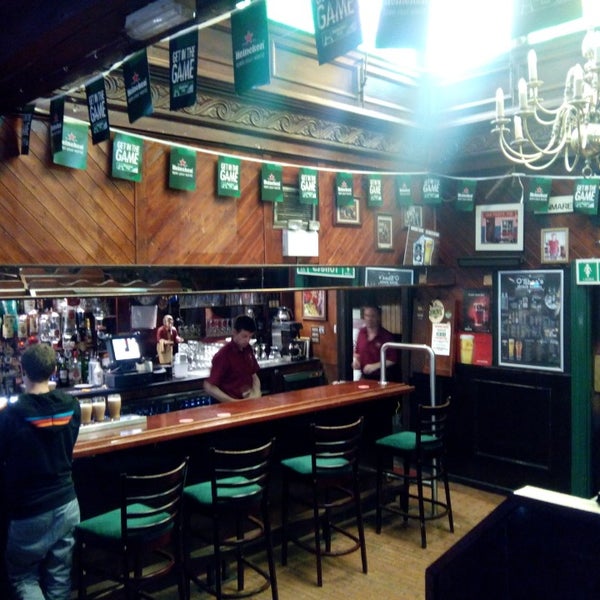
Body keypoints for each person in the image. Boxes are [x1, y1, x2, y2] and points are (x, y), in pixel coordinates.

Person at [0, 343, 81, 600]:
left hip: (29, 511)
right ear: (54, 370)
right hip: (67, 505)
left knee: (23, 576)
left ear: (22, 371)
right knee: (60, 577)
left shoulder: (11, 416)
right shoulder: (72, 407)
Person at [204, 315, 261, 402]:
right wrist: (232, 401)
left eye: (250, 337)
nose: (247, 340)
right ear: (234, 332)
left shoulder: (248, 349)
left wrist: (256, 393)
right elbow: (208, 386)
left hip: (248, 402)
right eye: (244, 336)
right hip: (230, 405)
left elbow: (254, 375)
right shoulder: (223, 355)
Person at [352, 304, 397, 380]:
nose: (369, 319)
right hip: (364, 377)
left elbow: (393, 360)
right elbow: (357, 353)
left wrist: (374, 366)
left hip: (382, 378)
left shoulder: (387, 336)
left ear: (378, 317)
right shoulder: (361, 332)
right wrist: (356, 361)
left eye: (372, 316)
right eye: (367, 315)